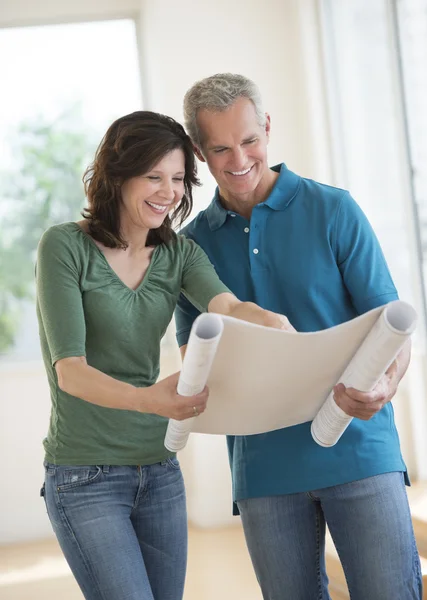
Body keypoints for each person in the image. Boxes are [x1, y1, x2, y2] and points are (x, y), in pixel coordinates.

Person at [175, 74, 422, 600]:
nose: (238, 159)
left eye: (249, 140)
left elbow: (392, 326)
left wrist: (387, 385)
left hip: (360, 451)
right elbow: (192, 357)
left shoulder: (333, 210)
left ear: (266, 127)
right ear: (198, 151)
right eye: (219, 148)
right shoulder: (188, 249)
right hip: (263, 471)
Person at [36, 110, 292, 600]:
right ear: (117, 176)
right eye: (152, 176)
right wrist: (152, 401)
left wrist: (269, 321)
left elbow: (227, 305)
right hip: (84, 476)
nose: (168, 191)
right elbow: (71, 372)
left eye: (177, 178)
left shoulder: (179, 255)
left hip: (158, 470)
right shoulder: (64, 247)